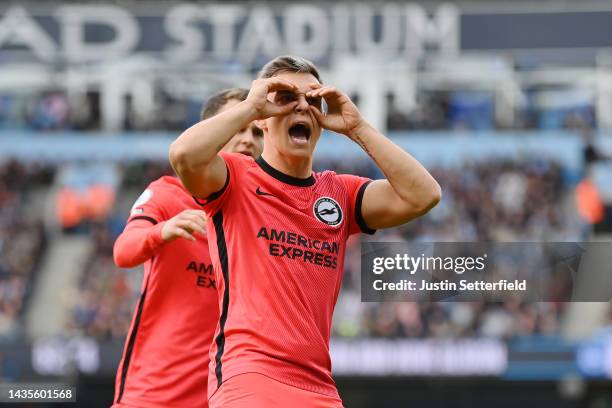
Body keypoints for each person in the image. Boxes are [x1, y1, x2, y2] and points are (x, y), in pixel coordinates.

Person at [169, 56, 441, 408]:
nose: (301, 106)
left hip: (319, 387)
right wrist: (252, 106)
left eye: (312, 99)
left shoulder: (340, 193)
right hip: (250, 377)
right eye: (285, 98)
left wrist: (357, 128)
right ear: (263, 121)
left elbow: (424, 194)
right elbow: (184, 155)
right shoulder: (235, 178)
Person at [111, 88, 263, 408]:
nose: (248, 139)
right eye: (237, 127)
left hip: (228, 396)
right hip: (155, 394)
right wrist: (162, 231)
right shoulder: (168, 194)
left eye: (257, 131)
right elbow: (123, 252)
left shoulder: (267, 214)